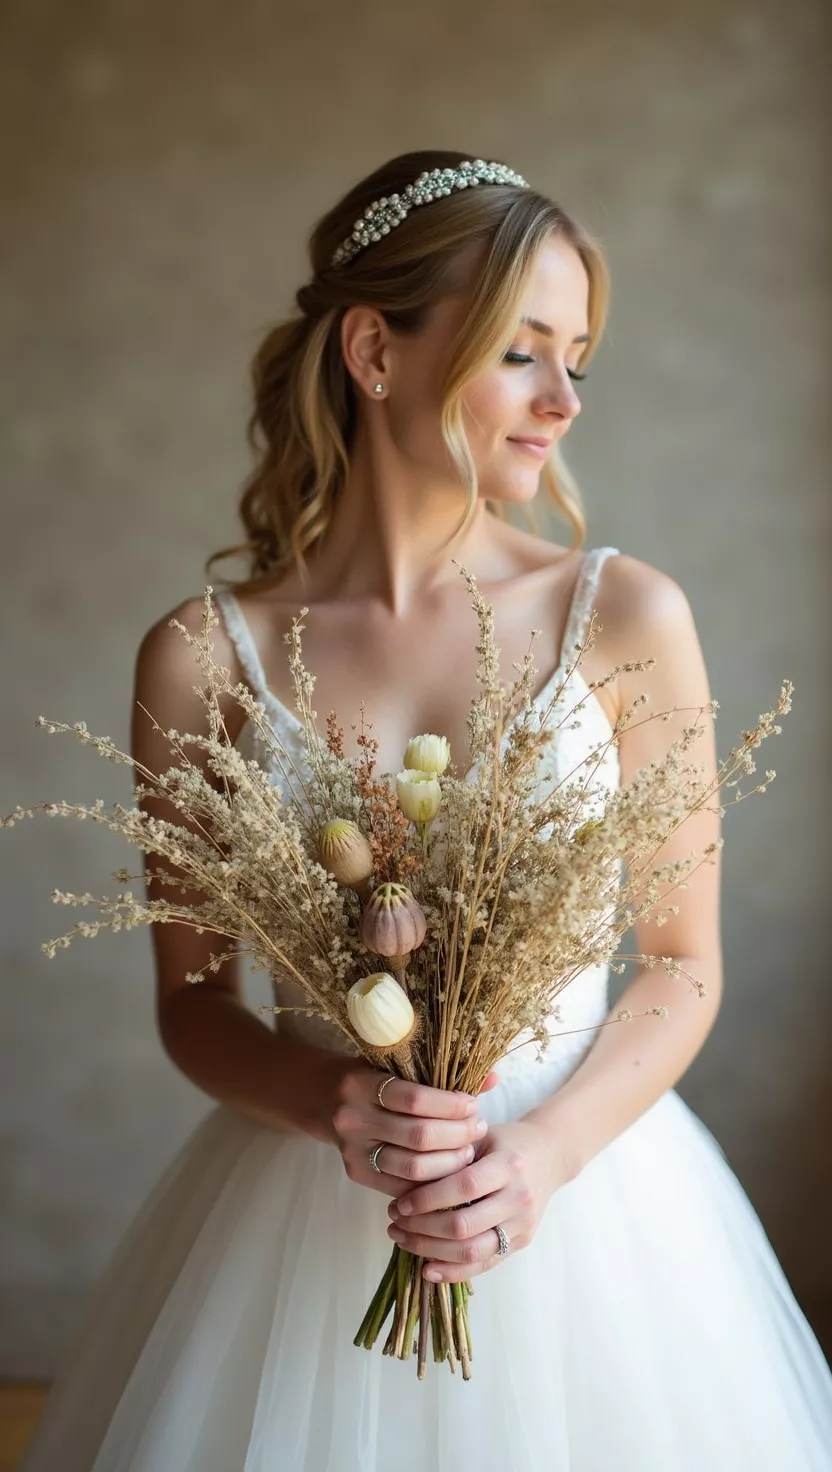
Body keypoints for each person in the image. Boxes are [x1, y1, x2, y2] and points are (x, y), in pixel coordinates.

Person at [19, 151, 832, 1472]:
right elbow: (193, 1004)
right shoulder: (199, 656)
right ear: (372, 349)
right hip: (299, 1218)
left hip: (589, 1211)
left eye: (581, 359)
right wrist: (338, 1097)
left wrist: (541, 1162)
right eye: (524, 352)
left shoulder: (626, 618)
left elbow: (683, 964)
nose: (566, 400)